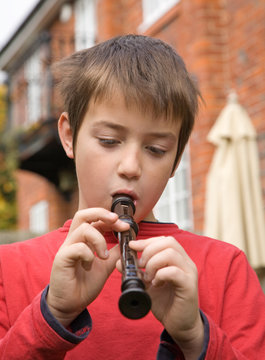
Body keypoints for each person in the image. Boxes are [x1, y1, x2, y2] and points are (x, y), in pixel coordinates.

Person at [0, 34, 264, 360]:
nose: (131, 167)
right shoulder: (8, 269)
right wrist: (52, 312)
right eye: (110, 141)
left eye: (156, 149)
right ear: (69, 137)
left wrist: (195, 336)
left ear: (176, 160)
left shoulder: (227, 268)